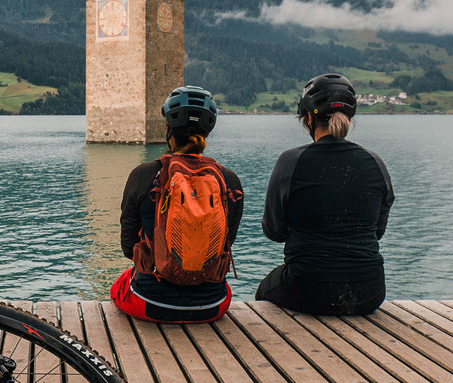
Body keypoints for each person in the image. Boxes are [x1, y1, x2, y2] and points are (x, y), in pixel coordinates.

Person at [257, 72, 394, 316]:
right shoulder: (376, 163)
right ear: (349, 118)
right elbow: (377, 231)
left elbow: (274, 231)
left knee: (264, 291)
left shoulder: (291, 162)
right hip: (371, 293)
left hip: (306, 289)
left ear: (308, 118)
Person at [111, 86, 245, 323]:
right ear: (207, 132)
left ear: (167, 129)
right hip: (213, 305)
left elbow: (127, 247)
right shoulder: (229, 180)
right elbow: (227, 243)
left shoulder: (143, 175)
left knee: (118, 285)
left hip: (150, 303)